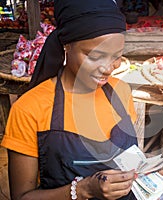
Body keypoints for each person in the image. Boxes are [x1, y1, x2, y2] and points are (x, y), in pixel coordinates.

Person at [1, 0, 140, 199]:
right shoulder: (30, 109)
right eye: (94, 56)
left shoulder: (121, 91)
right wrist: (83, 190)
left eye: (116, 56)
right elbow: (22, 196)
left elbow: (129, 157)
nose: (108, 68)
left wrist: (143, 172)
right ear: (67, 45)